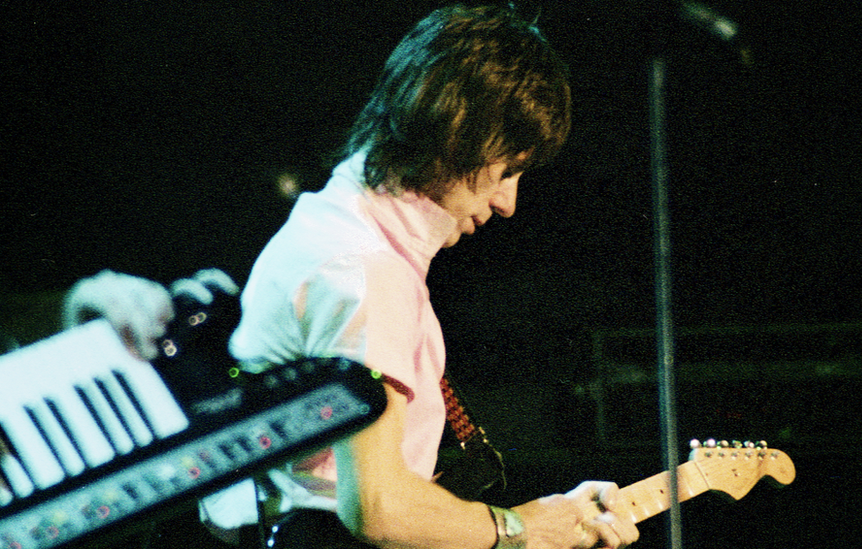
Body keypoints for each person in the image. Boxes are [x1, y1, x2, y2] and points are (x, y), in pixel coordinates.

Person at [59, 5, 641, 549]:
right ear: (459, 137)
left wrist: (551, 515)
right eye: (505, 170)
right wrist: (519, 530)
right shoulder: (365, 270)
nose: (508, 201)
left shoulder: (339, 214)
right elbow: (381, 509)